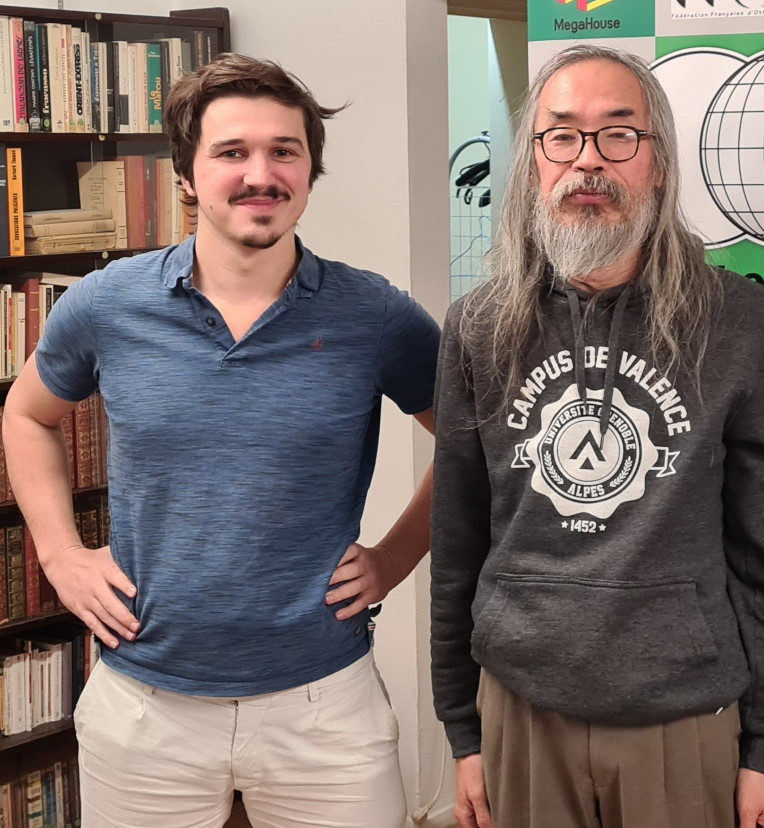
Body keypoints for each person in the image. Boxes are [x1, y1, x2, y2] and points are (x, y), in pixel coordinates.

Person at [2, 54, 439, 827]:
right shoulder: (107, 304)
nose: (260, 174)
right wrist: (61, 555)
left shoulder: (376, 317)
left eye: (284, 151)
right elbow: (27, 415)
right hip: (144, 706)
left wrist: (394, 557)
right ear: (188, 176)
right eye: (232, 152)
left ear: (309, 172)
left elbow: (471, 448)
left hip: (324, 705)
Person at [430, 44, 764, 828]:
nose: (589, 163)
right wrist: (462, 730)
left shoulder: (740, 324)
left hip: (685, 718)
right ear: (534, 162)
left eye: (619, 135)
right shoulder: (477, 327)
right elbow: (458, 536)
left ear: (659, 162)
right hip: (520, 707)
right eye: (562, 136)